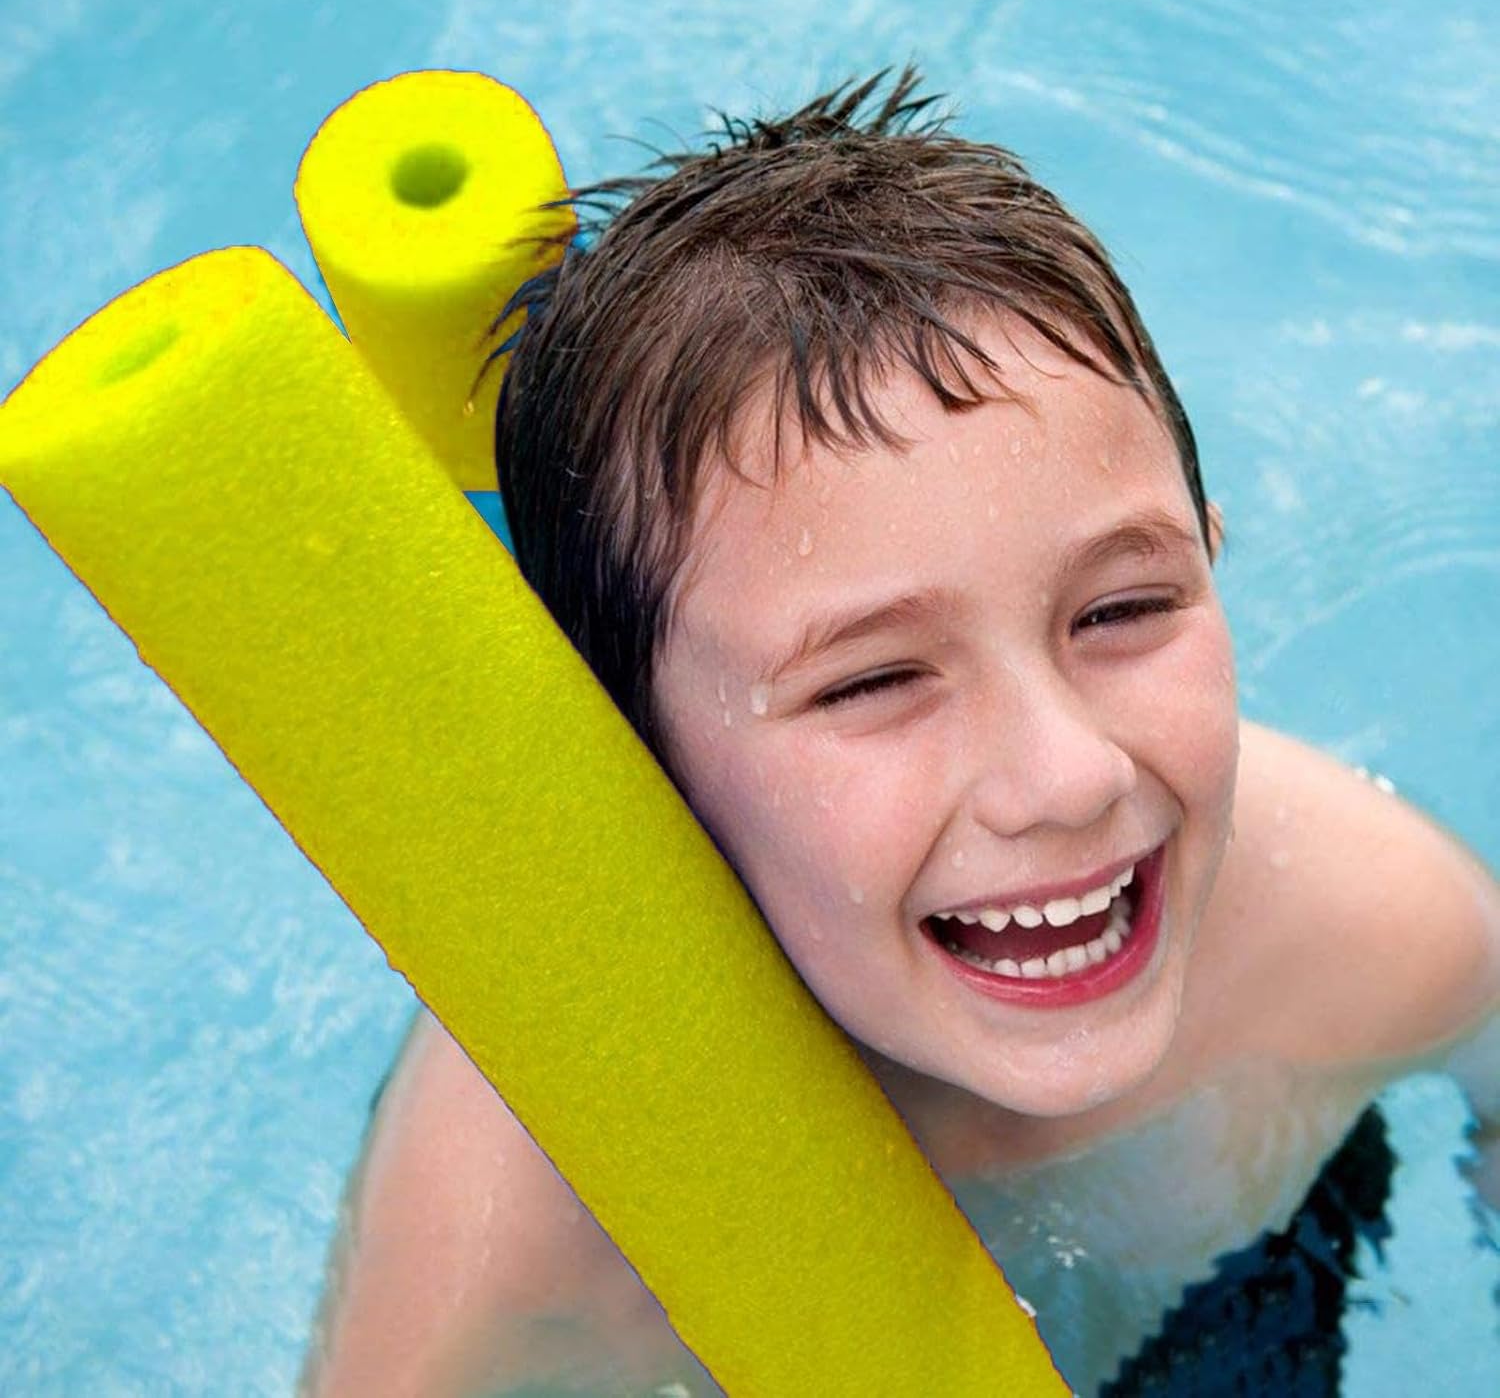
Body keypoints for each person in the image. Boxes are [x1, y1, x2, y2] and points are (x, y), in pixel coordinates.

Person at [298, 68, 1499, 1397]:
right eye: (872, 683)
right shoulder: (528, 1237)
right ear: (632, 765)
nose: (1066, 776)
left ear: (1212, 561)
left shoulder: (1369, 937)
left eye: (1120, 609)